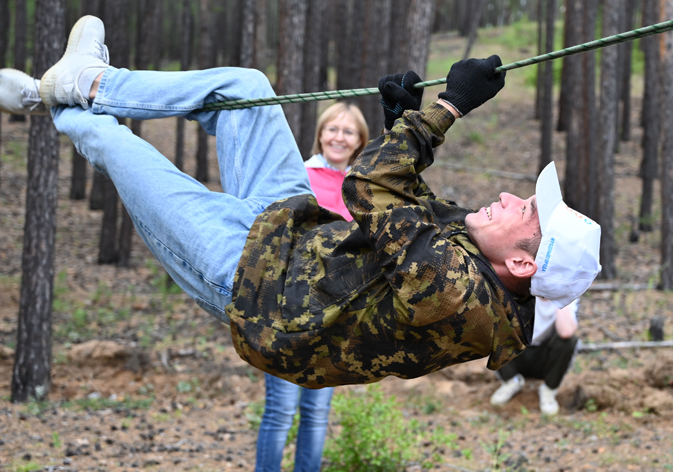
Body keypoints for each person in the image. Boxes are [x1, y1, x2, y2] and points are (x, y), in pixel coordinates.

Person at [1, 16, 601, 389]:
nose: (508, 196)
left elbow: (366, 189)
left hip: (249, 284)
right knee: (246, 88)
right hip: (292, 232)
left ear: (522, 264)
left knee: (122, 150)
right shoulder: (471, 260)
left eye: (525, 210)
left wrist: (447, 110)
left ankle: (47, 96)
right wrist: (400, 120)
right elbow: (408, 209)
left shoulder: (462, 301)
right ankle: (90, 81)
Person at [256, 103, 368, 472]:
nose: (339, 137)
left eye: (348, 131)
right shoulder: (301, 175)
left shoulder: (362, 187)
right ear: (320, 134)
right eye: (332, 129)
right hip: (289, 309)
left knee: (317, 412)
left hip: (334, 312)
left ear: (359, 141)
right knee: (281, 409)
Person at [489, 297, 579, 415]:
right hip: (516, 355)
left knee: (568, 342)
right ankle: (511, 381)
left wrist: (560, 297)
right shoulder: (519, 290)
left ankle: (549, 389)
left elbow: (566, 332)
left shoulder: (566, 296)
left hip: (544, 359)